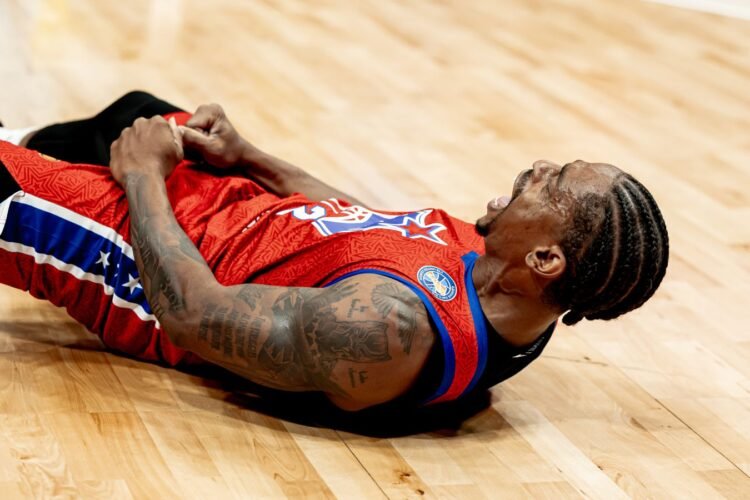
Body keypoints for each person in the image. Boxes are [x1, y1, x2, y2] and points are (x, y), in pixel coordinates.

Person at [0, 92, 669, 411]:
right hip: (238, 214)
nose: (539, 166)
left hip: (152, 261)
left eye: (554, 182)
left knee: (17, 184)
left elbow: (193, 315)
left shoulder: (386, 332)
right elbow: (370, 228)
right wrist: (250, 158)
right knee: (140, 110)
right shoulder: (505, 269)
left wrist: (143, 176)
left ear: (547, 261)